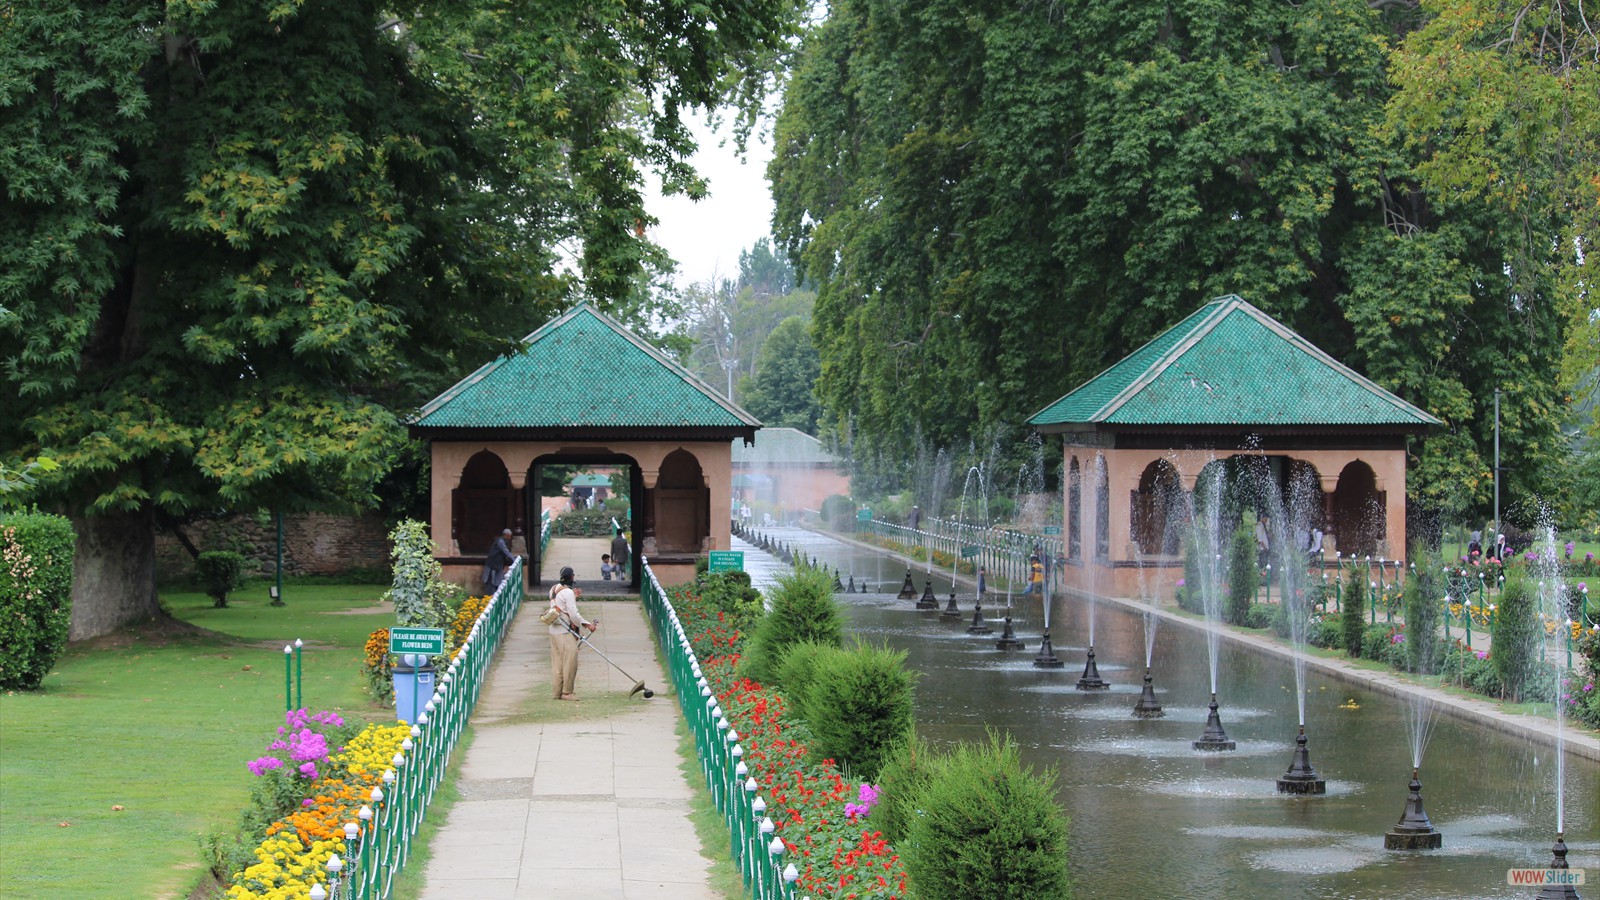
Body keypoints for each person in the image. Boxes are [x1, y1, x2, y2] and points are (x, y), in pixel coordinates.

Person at [548, 566, 597, 701]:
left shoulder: (553, 589)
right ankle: (567, 692)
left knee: (557, 662)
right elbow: (573, 614)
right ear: (572, 577)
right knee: (570, 661)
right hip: (564, 631)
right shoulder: (568, 593)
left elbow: (561, 605)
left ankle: (557, 692)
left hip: (554, 630)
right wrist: (587, 624)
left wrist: (573, 596)